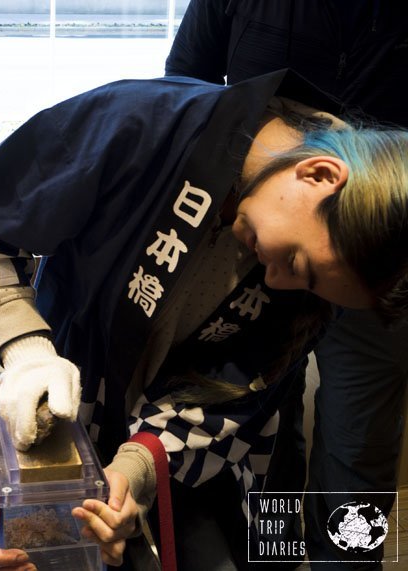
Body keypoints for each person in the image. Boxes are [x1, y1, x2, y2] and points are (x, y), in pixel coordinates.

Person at [0, 68, 408, 569]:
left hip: (186, 455)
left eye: (307, 282)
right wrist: (27, 352)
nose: (277, 283)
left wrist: (136, 467)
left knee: (229, 540)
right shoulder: (143, 124)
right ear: (318, 175)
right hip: (68, 387)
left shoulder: (317, 273)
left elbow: (232, 389)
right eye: (296, 263)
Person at [166, 2, 408, 567]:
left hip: (377, 261)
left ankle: (347, 564)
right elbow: (185, 86)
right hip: (259, 245)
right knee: (260, 431)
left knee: (360, 448)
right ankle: (271, 558)